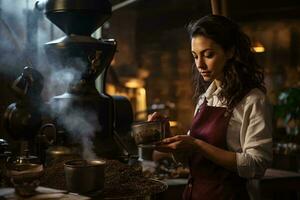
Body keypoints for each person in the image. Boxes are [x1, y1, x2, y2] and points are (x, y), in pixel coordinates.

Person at [148, 15, 273, 200]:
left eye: (208, 55)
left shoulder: (252, 100)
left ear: (230, 51)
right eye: (195, 56)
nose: (199, 64)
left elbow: (256, 165)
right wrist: (167, 136)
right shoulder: (206, 98)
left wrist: (197, 145)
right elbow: (193, 161)